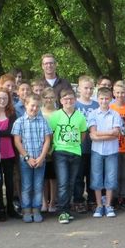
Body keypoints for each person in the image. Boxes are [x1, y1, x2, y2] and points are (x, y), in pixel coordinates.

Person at [49, 88, 88, 224]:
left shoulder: (80, 116)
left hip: (75, 152)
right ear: (61, 101)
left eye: (71, 98)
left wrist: (75, 144)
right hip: (60, 152)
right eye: (65, 99)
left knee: (71, 182)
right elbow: (51, 132)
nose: (68, 101)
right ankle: (62, 211)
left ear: (75, 100)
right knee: (63, 182)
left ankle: (67, 209)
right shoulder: (56, 116)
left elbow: (83, 133)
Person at [12, 94, 52, 223]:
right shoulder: (19, 122)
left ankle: (36, 209)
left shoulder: (43, 121)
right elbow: (17, 142)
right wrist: (27, 157)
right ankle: (26, 209)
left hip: (40, 159)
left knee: (38, 185)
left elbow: (47, 140)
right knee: (27, 185)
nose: (34, 108)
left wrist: (41, 157)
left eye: (37, 106)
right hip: (26, 160)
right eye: (32, 105)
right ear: (26, 105)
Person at [88, 85, 123, 218]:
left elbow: (116, 134)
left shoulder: (115, 114)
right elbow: (93, 135)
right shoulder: (93, 114)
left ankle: (108, 205)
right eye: (101, 99)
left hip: (112, 151)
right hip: (96, 151)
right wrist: (109, 133)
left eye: (107, 98)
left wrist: (100, 134)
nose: (104, 101)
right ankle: (99, 205)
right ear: (98, 99)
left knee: (111, 177)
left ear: (110, 99)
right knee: (96, 177)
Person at [0, 89, 18, 221]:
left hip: (9, 152)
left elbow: (11, 132)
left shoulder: (12, 114)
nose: (2, 101)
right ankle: (1, 208)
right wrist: (3, 133)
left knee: (9, 182)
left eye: (5, 98)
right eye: (0, 98)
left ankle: (11, 208)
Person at [110, 80, 125, 210]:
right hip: (113, 147)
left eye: (122, 92)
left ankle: (124, 196)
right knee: (114, 173)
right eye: (117, 92)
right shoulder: (110, 107)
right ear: (113, 93)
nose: (120, 95)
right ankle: (113, 197)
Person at [74, 75, 97, 211]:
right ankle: (78, 200)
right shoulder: (75, 104)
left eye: (91, 88)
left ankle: (92, 199)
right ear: (79, 89)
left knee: (92, 174)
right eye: (86, 88)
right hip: (78, 147)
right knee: (78, 175)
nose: (88, 91)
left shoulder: (96, 104)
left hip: (94, 146)